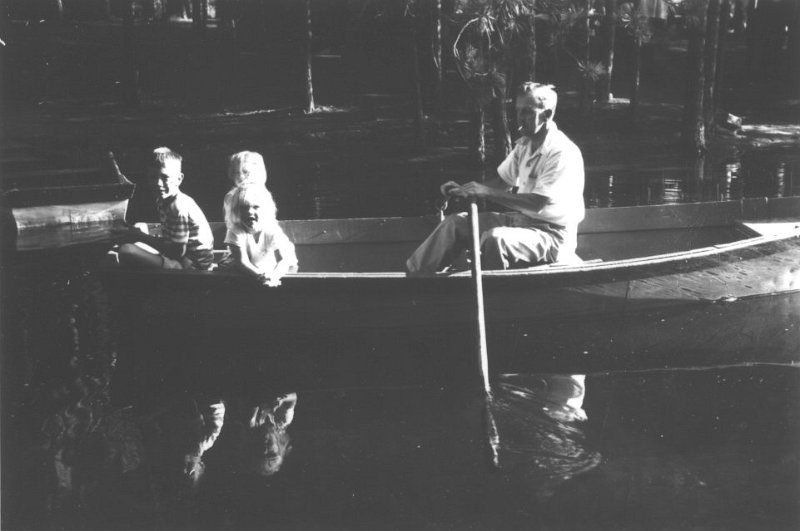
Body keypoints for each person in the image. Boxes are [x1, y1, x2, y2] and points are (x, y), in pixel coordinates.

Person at [406, 83, 585, 274]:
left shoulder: (561, 152)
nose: (519, 118)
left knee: (495, 239)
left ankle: (496, 297)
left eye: (526, 112)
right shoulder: (525, 144)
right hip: (521, 222)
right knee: (454, 223)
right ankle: (414, 278)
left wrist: (486, 192)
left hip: (553, 236)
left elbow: (537, 204)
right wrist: (465, 190)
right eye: (517, 111)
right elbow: (502, 182)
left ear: (547, 115)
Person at [116, 147, 215, 270]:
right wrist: (135, 233)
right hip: (180, 254)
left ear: (179, 179)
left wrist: (140, 236)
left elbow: (178, 252)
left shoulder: (178, 206)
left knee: (127, 251)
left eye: (165, 177)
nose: (158, 183)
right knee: (138, 228)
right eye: (153, 177)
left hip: (191, 265)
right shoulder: (163, 199)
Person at [223, 184, 298, 287]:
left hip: (276, 269)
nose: (250, 212)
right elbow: (242, 263)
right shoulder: (235, 231)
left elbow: (283, 260)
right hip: (253, 271)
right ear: (236, 211)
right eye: (244, 208)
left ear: (266, 209)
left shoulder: (272, 229)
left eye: (256, 207)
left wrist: (273, 277)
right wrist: (262, 276)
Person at [223, 150, 268, 232]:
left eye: (246, 172)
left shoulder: (263, 194)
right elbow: (230, 223)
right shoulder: (231, 196)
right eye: (237, 173)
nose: (241, 177)